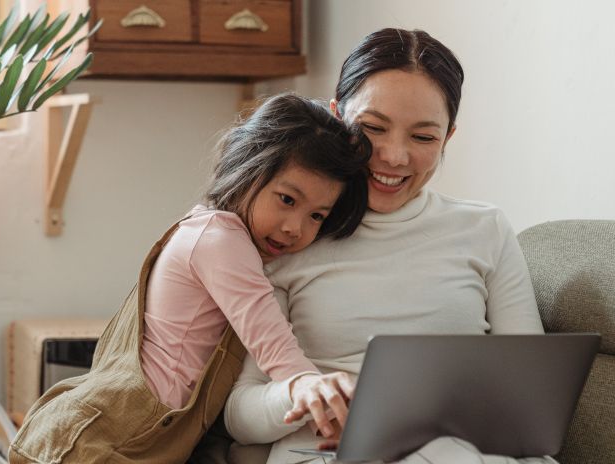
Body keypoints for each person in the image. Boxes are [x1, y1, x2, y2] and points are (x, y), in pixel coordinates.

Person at [223, 29, 553, 464]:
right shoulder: (293, 235)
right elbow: (238, 415)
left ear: (448, 138)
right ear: (337, 117)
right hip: (329, 451)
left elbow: (533, 397)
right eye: (373, 128)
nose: (395, 157)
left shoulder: (485, 228)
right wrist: (303, 393)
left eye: (423, 138)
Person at [8, 93, 370, 464]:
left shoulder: (213, 232)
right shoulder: (220, 239)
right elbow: (271, 340)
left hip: (135, 441)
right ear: (248, 168)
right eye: (287, 200)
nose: (295, 228)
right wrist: (314, 387)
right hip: (97, 443)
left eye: (317, 217)